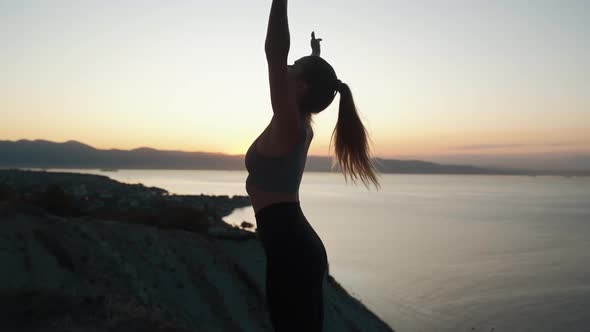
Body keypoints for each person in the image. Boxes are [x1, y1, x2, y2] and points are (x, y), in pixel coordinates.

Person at [244, 1, 381, 331]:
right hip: (292, 245)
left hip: (291, 249)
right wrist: (315, 56)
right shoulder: (298, 121)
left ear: (301, 87)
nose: (286, 68)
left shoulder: (290, 123)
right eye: (290, 65)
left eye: (294, 68)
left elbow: (274, 52)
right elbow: (309, 82)